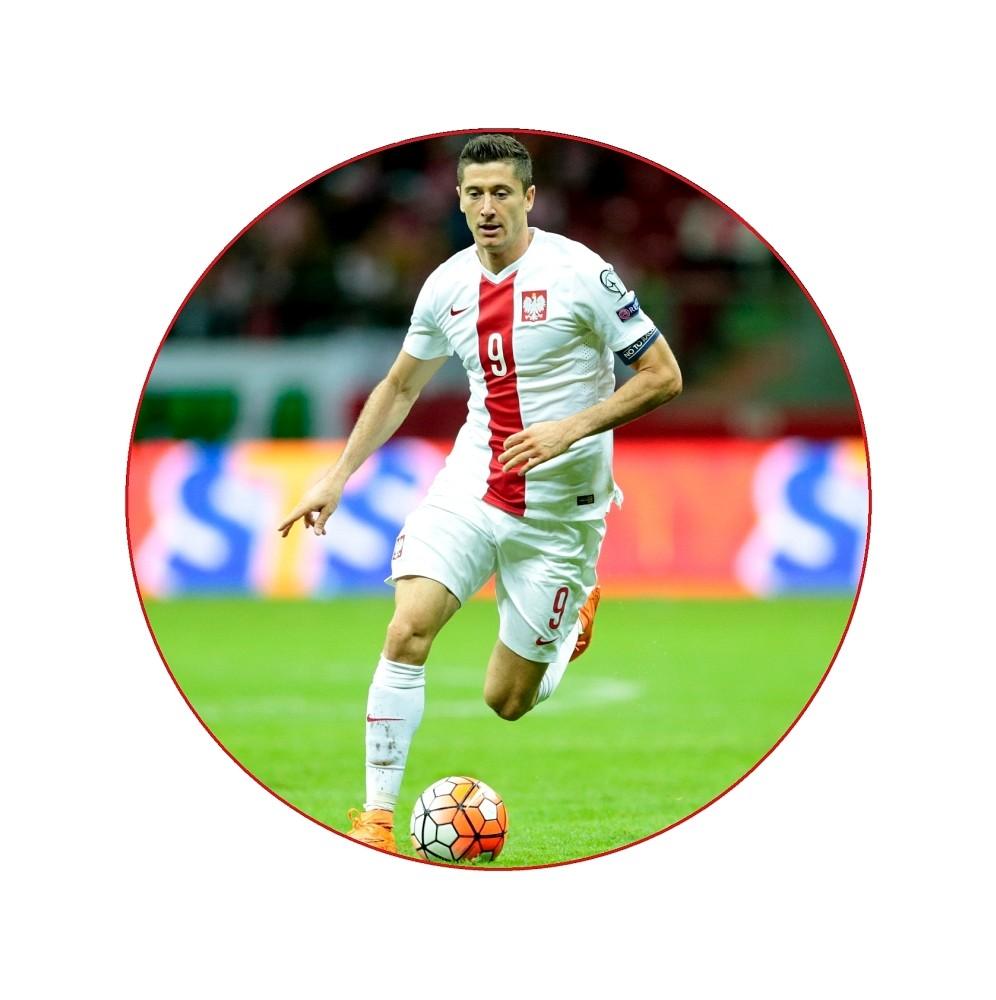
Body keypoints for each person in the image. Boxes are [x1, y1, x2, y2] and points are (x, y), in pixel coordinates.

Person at [278, 134, 682, 854]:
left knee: (508, 701)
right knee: (407, 629)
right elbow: (400, 385)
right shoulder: (446, 286)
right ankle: (376, 819)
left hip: (561, 514)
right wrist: (336, 476)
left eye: (501, 192)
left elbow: (663, 376)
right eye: (474, 193)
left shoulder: (582, 274)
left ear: (530, 198)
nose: (488, 207)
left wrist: (569, 430)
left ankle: (569, 628)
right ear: (459, 201)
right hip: (472, 485)